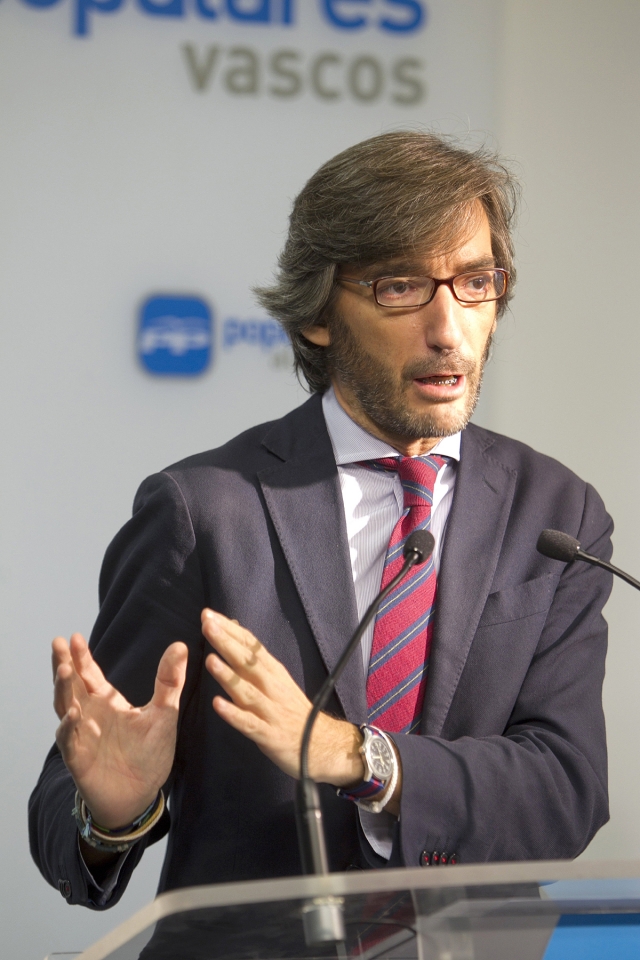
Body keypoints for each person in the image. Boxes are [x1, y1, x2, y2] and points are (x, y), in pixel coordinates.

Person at [29, 132, 613, 910]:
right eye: (402, 288)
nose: (450, 330)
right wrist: (113, 812)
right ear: (317, 319)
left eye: (476, 283)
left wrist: (357, 756)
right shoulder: (203, 512)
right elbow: (64, 809)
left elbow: (566, 790)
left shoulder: (556, 513)